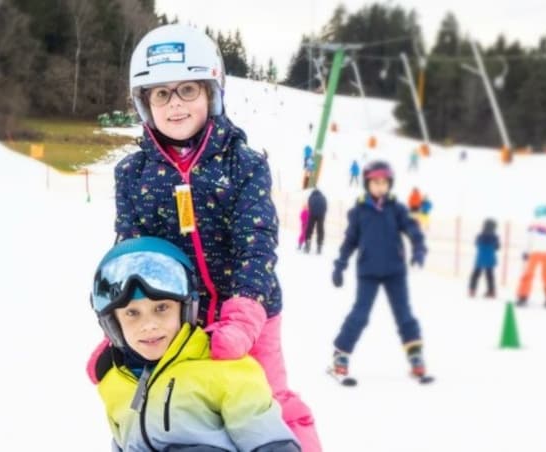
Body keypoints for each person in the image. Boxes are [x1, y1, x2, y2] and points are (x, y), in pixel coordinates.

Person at [88, 24, 321, 450]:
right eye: (161, 94)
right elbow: (130, 254)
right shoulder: (132, 174)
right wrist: (118, 329)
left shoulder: (244, 165)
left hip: (251, 308)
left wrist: (245, 314)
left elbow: (257, 240)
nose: (174, 105)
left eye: (187, 90)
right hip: (174, 314)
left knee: (267, 400)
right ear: (144, 103)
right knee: (170, 403)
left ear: (211, 93)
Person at [90, 237, 300, 451]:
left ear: (185, 310)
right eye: (132, 313)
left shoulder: (224, 369)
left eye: (161, 308)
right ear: (112, 324)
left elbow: (268, 438)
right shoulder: (113, 382)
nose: (149, 325)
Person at [329, 160, 431, 383]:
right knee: (360, 315)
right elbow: (350, 240)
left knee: (404, 314)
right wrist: (340, 264)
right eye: (375, 182)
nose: (380, 186)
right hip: (368, 271)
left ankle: (415, 356)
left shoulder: (396, 208)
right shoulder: (359, 211)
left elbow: (412, 228)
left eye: (384, 182)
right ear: (367, 184)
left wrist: (419, 248)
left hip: (395, 269)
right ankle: (341, 354)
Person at [516, 205, 546, 308]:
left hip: (535, 252)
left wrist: (525, 251)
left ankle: (523, 297)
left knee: (528, 275)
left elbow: (528, 238)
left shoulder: (533, 223)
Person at [469, 219, 500, 298]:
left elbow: (476, 244)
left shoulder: (479, 236)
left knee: (475, 275)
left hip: (480, 258)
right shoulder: (495, 237)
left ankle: (472, 290)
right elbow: (497, 247)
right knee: (490, 275)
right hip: (490, 258)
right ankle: (491, 292)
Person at [304, 188, 326, 254]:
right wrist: (323, 214)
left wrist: (311, 211)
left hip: (312, 215)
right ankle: (319, 246)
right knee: (320, 230)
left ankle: (307, 244)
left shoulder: (311, 197)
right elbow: (325, 206)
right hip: (321, 216)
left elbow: (309, 205)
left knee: (309, 229)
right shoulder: (323, 197)